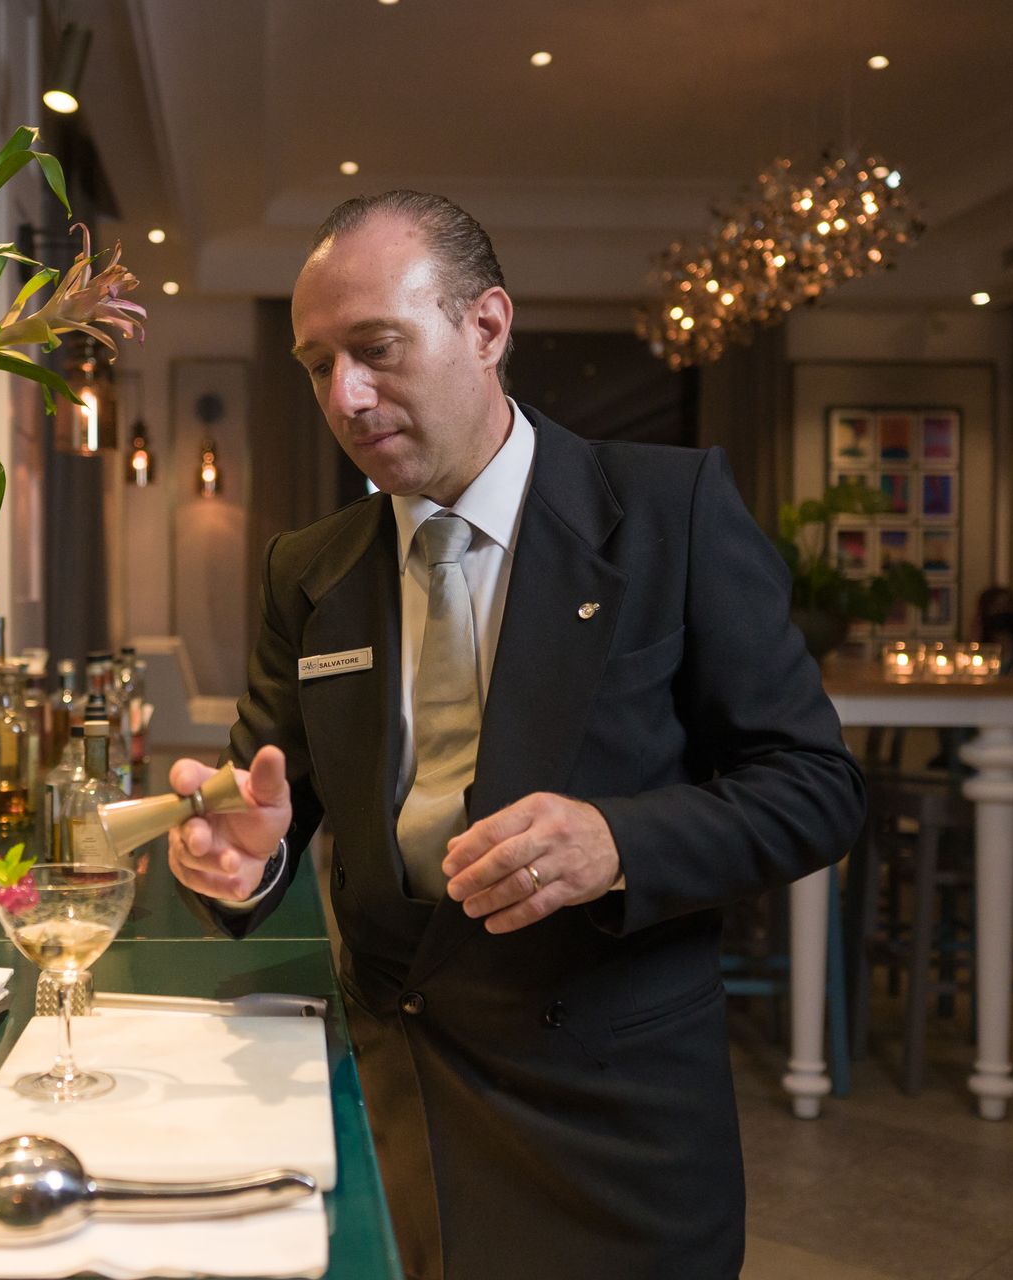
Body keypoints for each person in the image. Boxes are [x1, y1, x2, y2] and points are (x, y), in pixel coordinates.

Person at [163, 191, 866, 1280]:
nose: (344, 395)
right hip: (396, 1078)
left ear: (486, 327)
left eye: (376, 348)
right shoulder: (310, 568)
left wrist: (618, 841)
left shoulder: (666, 514)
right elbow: (268, 802)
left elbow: (816, 787)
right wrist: (240, 859)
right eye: (314, 364)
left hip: (608, 1102)